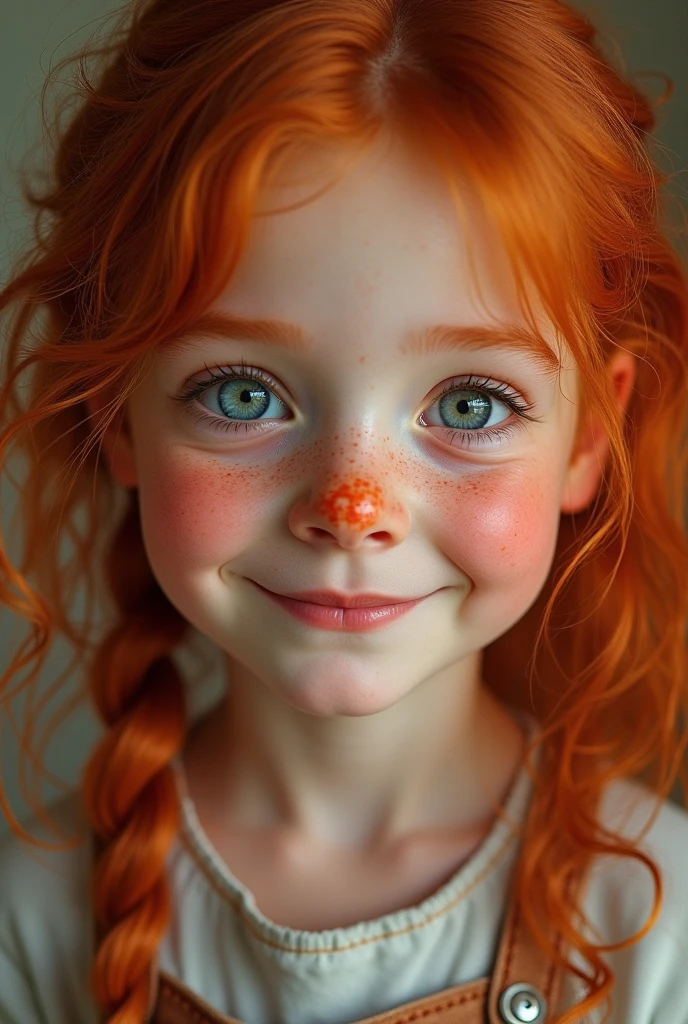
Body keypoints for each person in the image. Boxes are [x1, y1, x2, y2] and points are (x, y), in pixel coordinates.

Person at [1, 0, 688, 1022]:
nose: (351, 508)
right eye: (242, 393)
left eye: (468, 404)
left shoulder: (661, 920)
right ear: (116, 415)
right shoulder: (33, 921)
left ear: (587, 437)